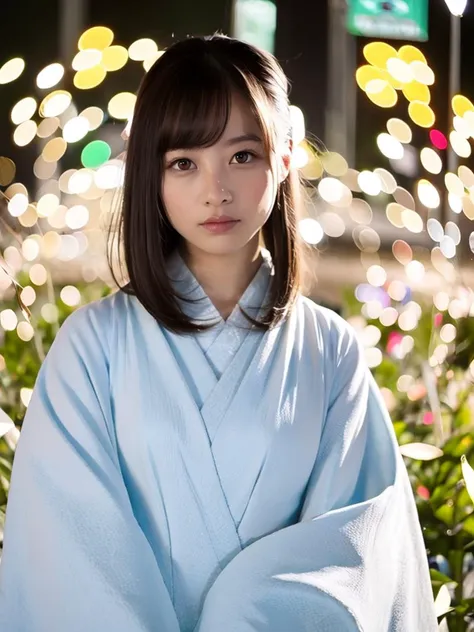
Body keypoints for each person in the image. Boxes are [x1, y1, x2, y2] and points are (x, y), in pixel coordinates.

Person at [0, 34, 437, 631]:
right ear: (149, 174)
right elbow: (66, 553)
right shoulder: (91, 348)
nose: (216, 190)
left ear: (284, 157)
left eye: (242, 156)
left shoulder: (330, 352)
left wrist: (248, 612)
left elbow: (358, 553)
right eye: (184, 162)